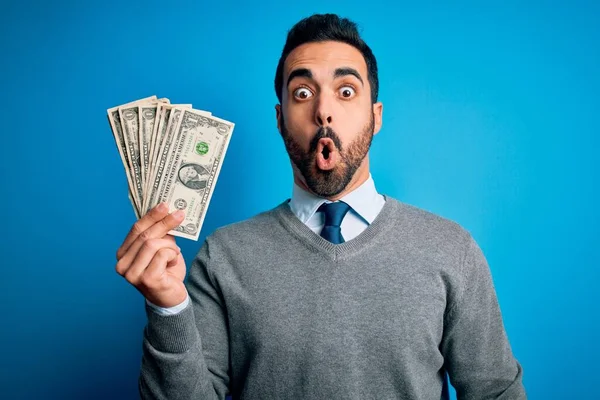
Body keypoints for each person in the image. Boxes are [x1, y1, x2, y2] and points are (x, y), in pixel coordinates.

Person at [115, 13, 526, 400]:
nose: (323, 111)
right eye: (303, 93)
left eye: (346, 92)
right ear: (280, 118)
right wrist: (167, 306)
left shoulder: (451, 249)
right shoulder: (223, 256)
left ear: (375, 115)